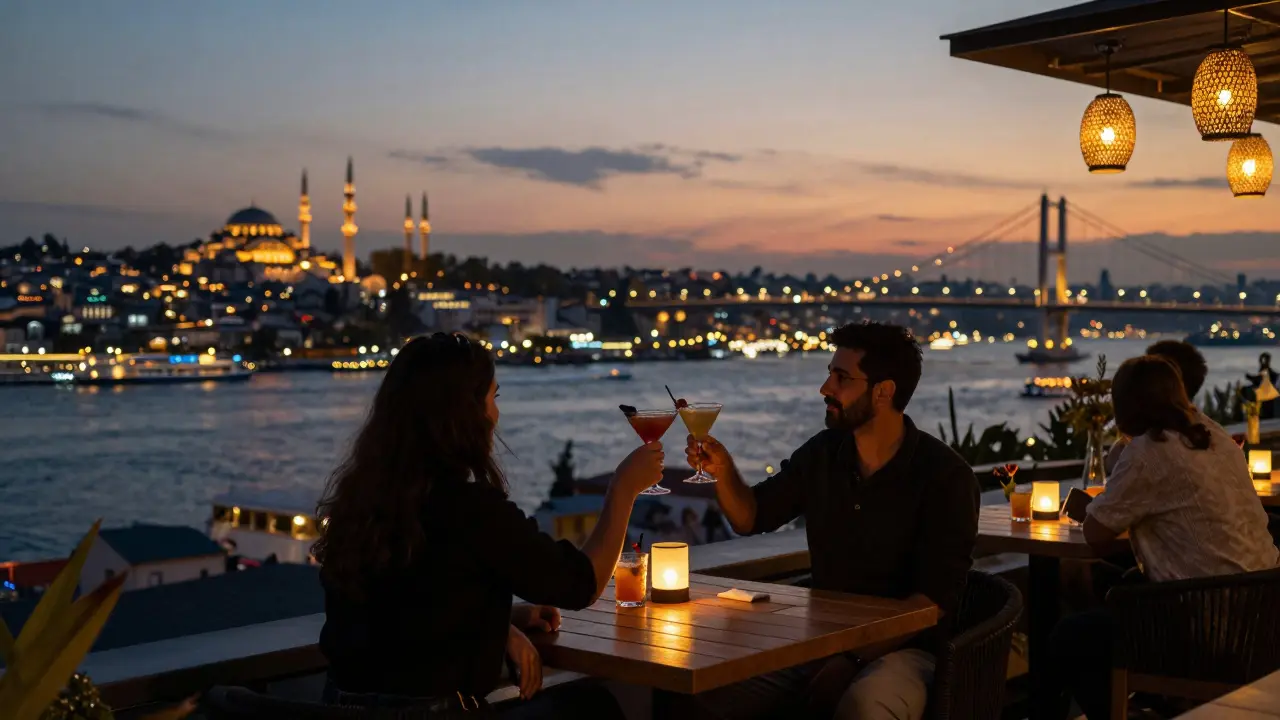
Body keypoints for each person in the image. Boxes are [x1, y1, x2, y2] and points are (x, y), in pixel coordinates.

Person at [315, 332, 663, 718]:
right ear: (464, 413)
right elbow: (580, 583)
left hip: (341, 706)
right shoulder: (470, 509)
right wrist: (624, 489)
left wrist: (499, 623)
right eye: (493, 398)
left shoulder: (359, 505)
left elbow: (403, 613)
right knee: (591, 707)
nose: (496, 414)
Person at [680, 321, 979, 720]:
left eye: (841, 378)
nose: (825, 389)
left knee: (863, 706)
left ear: (884, 391)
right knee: (701, 690)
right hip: (818, 640)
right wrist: (722, 469)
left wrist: (853, 659)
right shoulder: (823, 454)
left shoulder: (945, 477)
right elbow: (752, 515)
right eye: (829, 375)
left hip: (908, 650)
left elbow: (929, 605)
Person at [1052, 355, 1280, 719]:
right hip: (1261, 621)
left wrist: (1087, 507)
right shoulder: (1215, 436)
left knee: (1073, 635)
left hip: (1205, 626)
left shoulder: (1147, 452)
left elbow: (1095, 536)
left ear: (1124, 404)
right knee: (1119, 583)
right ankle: (1161, 703)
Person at [1247, 351, 1279, 419]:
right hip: (1265, 395)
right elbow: (1258, 380)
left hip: (1268, 395)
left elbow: (1258, 379)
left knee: (1267, 408)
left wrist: (1250, 377)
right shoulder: (1264, 369)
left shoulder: (1266, 370)